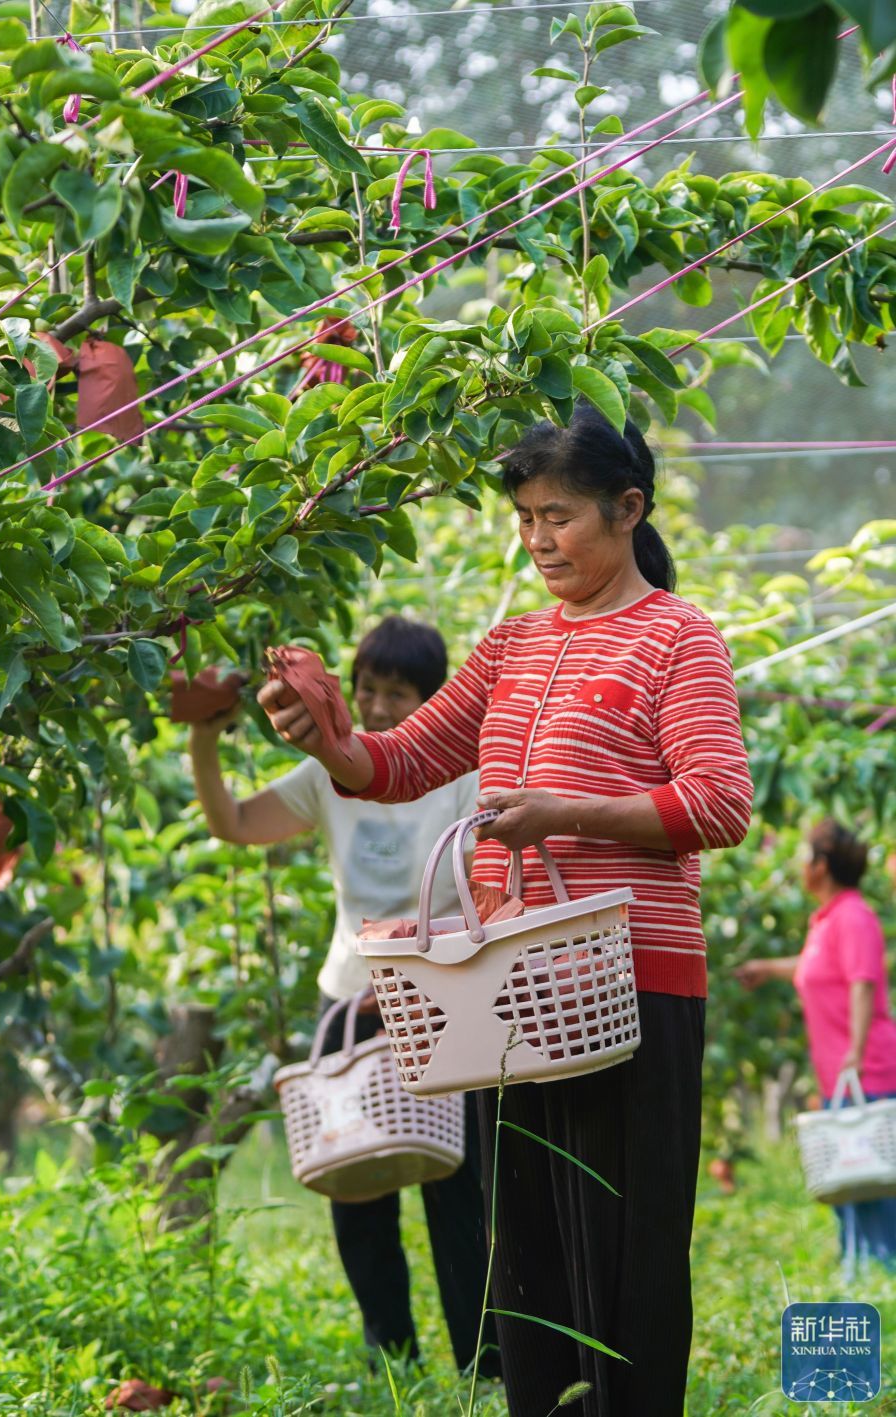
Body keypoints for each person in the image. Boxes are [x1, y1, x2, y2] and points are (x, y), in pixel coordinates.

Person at [258, 404, 753, 1417]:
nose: (536, 539)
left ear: (628, 510)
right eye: (524, 517)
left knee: (627, 1248)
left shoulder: (677, 637)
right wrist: (325, 733)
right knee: (525, 1252)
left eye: (557, 516)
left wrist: (564, 812)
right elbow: (395, 765)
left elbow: (718, 802)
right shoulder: (511, 646)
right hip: (515, 998)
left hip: (632, 987)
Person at [190, 616, 499, 1380]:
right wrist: (205, 734)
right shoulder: (329, 772)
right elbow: (232, 823)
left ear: (434, 700)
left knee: (457, 1191)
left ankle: (483, 1364)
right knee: (355, 1186)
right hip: (348, 1002)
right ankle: (389, 1355)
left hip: (441, 1003)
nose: (380, 708)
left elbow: (484, 894)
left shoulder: (463, 773)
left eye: (400, 694)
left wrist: (414, 978)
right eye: (367, 690)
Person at [736, 819, 896, 1270]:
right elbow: (814, 966)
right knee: (853, 1178)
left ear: (821, 866)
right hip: (842, 1073)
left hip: (868, 1069)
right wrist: (767, 968)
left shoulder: (853, 915)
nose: (801, 865)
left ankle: (881, 1277)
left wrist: (856, 1051)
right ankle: (860, 1273)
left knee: (877, 1180)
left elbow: (863, 984)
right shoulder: (826, 919)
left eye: (806, 856)